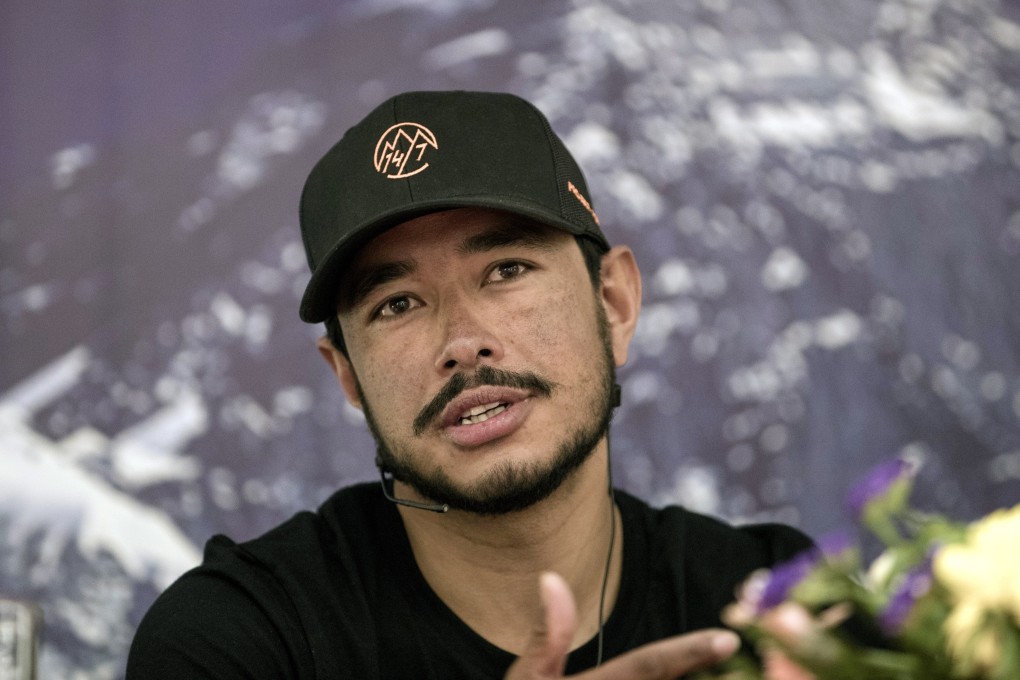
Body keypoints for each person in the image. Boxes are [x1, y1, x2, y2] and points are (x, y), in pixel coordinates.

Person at [126, 90, 812, 679]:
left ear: (614, 306)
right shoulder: (240, 643)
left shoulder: (773, 603)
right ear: (349, 376)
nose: (462, 340)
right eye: (396, 304)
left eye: (507, 270)